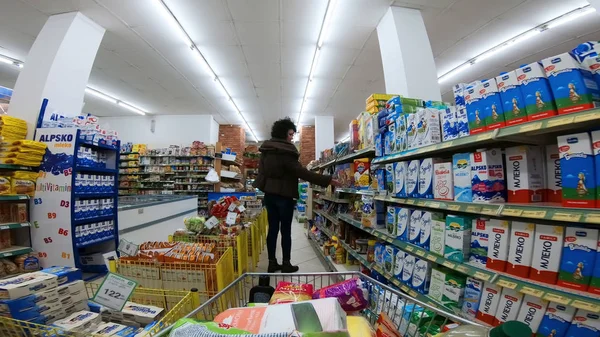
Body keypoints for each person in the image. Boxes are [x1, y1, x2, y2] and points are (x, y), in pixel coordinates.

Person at [254, 118, 338, 273]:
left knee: (272, 229)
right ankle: (286, 264)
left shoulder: (266, 151)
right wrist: (328, 180)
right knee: (285, 230)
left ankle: (272, 263)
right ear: (284, 133)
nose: (292, 137)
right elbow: (302, 173)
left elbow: (262, 173)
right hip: (284, 197)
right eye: (291, 134)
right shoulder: (286, 151)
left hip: (269, 196)